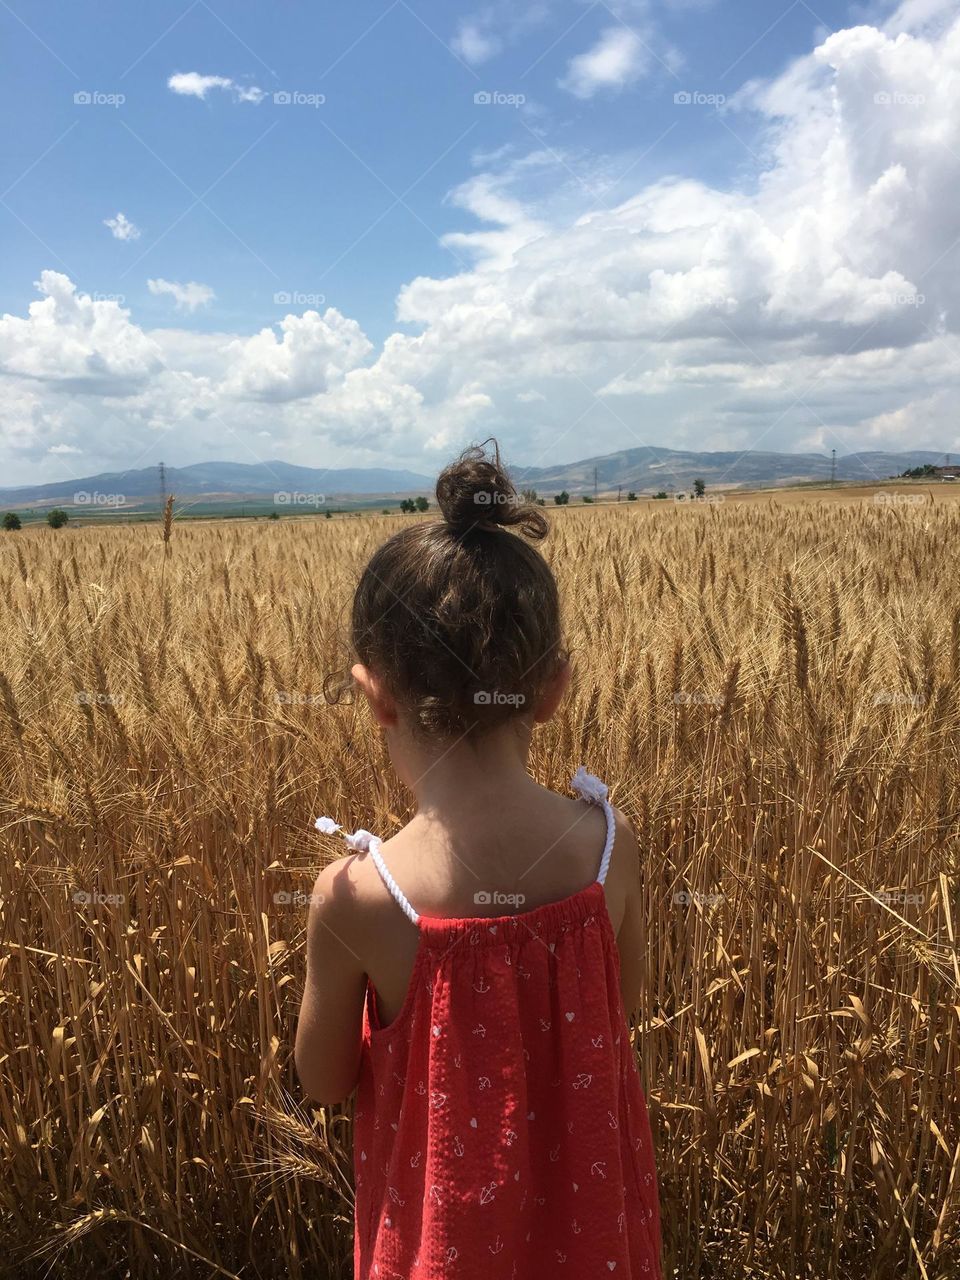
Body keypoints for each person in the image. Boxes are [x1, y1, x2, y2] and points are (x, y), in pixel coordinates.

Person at [295, 440, 662, 1279]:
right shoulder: (609, 848)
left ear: (374, 696)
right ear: (555, 686)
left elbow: (321, 1083)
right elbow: (623, 1006)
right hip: (596, 1244)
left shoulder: (359, 897)